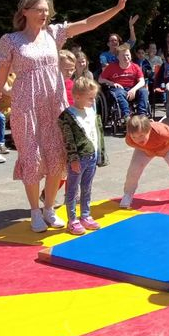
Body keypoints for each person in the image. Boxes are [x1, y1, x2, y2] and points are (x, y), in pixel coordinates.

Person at [0, 0, 127, 233]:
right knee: (32, 158)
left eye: (47, 10)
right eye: (39, 9)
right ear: (25, 11)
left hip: (54, 105)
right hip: (26, 107)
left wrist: (116, 9)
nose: (44, 14)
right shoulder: (11, 41)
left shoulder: (54, 34)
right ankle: (35, 212)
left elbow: (89, 23)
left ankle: (49, 208)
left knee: (57, 158)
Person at [57, 78, 106, 235]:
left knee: (87, 187)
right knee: (72, 190)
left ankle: (85, 215)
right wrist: (73, 159)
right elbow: (68, 139)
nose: (93, 101)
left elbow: (96, 133)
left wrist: (101, 153)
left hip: (91, 156)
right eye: (90, 98)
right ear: (77, 96)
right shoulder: (68, 116)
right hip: (78, 158)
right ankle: (72, 220)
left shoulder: (91, 111)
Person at [119, 115, 169, 207]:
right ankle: (128, 194)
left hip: (168, 145)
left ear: (149, 130)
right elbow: (131, 143)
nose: (138, 139)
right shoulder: (131, 138)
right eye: (134, 137)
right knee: (133, 170)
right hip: (146, 149)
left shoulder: (161, 132)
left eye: (142, 135)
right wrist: (146, 149)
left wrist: (164, 150)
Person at [99, 44, 150, 119]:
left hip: (133, 88)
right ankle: (126, 116)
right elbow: (100, 79)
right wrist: (112, 83)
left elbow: (142, 81)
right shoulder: (111, 67)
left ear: (131, 56)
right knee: (119, 93)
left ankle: (142, 115)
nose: (126, 57)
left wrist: (134, 90)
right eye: (123, 55)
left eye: (127, 55)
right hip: (119, 89)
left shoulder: (135, 67)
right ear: (118, 57)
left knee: (144, 91)